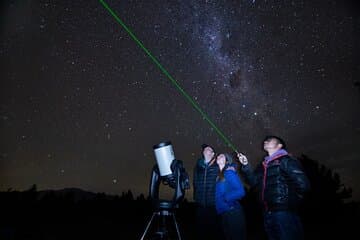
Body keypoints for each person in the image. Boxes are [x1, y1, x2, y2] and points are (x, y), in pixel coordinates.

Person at [237, 136, 310, 240]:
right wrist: (246, 165)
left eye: (270, 139)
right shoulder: (263, 166)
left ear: (279, 145)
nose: (266, 140)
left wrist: (289, 203)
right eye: (266, 139)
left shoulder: (286, 160)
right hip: (268, 213)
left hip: (284, 214)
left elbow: (304, 185)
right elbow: (253, 182)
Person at [193, 144, 223, 239]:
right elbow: (195, 181)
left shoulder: (217, 166)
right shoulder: (198, 166)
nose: (206, 150)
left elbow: (227, 166)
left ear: (213, 153)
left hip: (213, 204)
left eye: (209, 149)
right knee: (201, 231)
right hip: (200, 204)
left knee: (214, 231)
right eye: (205, 149)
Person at [215, 153, 246, 240]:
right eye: (218, 156)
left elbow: (241, 191)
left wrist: (226, 198)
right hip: (223, 213)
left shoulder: (229, 172)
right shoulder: (217, 176)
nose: (218, 157)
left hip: (233, 212)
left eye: (221, 156)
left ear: (227, 161)